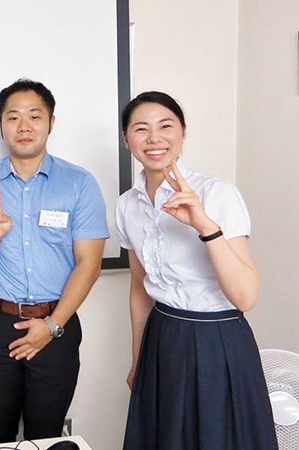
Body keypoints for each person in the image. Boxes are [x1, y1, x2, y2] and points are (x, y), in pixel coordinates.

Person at [116, 91, 278, 449]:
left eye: (166, 126)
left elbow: (245, 296)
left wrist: (204, 224)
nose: (154, 138)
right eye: (141, 129)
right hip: (162, 335)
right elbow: (140, 288)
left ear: (183, 133)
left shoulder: (217, 193)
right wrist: (137, 361)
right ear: (127, 140)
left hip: (217, 340)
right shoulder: (127, 205)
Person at [0, 79, 108, 443]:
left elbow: (89, 263)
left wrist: (53, 326)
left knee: (46, 437)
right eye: (13, 117)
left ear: (51, 122)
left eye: (34, 116)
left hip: (57, 324)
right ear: (0, 126)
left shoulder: (79, 183)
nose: (23, 126)